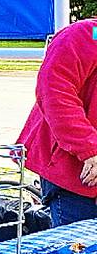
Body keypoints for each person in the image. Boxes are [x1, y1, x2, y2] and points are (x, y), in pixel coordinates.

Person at [18, 19, 97, 226]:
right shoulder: (88, 34)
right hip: (76, 176)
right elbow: (55, 91)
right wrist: (90, 149)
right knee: (75, 253)